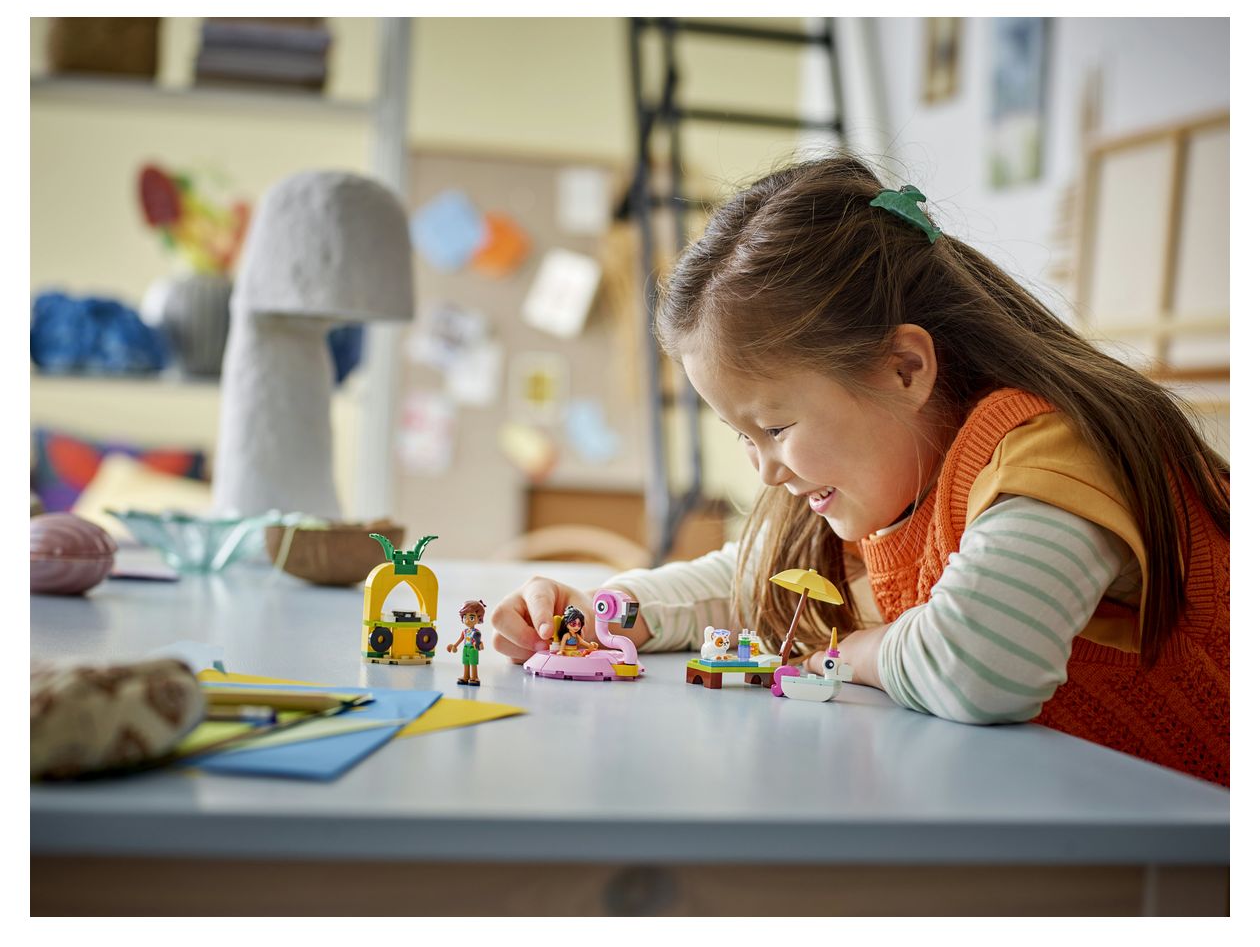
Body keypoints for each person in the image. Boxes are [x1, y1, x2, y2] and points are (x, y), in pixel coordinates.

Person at [490, 153, 1229, 786]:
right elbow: (748, 589)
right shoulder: (887, 484)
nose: (766, 471)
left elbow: (979, 667)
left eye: (775, 427)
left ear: (904, 369)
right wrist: (604, 613)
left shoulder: (1053, 451)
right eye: (743, 436)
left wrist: (855, 651)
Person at [448, 600, 486, 686]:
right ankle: (466, 676)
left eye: (471, 617)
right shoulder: (465, 631)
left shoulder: (476, 632)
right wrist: (455, 645)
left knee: (473, 663)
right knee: (465, 662)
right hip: (465, 648)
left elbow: (478, 640)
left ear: (478, 618)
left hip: (473, 649)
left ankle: (475, 677)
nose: (467, 620)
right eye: (465, 617)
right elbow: (460, 639)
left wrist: (480, 645)